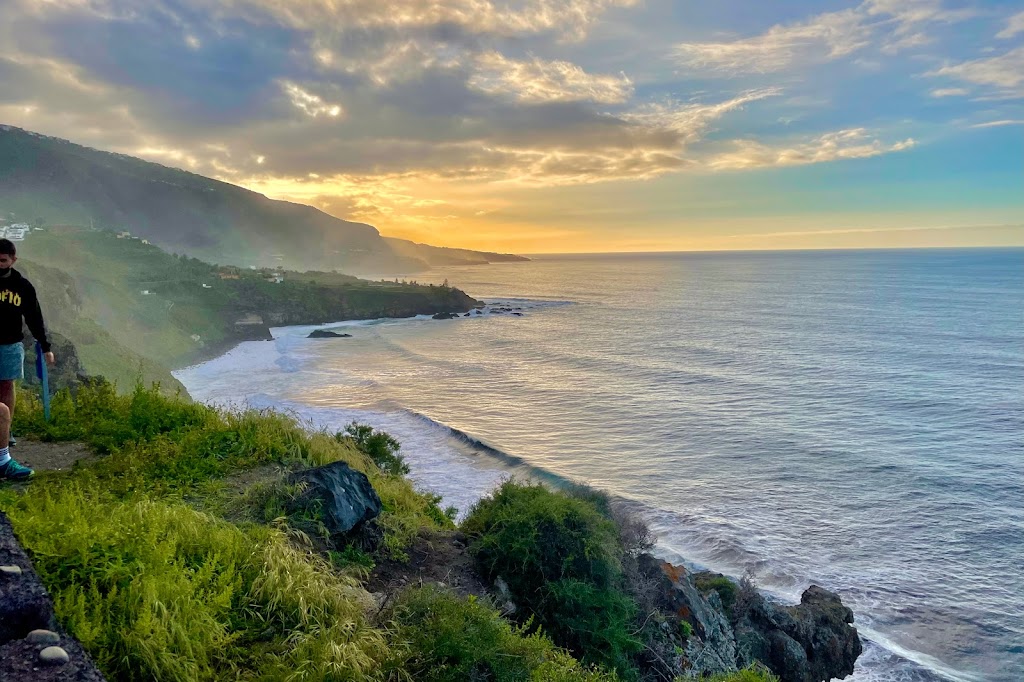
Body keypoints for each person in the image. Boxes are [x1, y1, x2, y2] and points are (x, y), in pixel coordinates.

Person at [0, 238, 54, 480]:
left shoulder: (23, 286)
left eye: (2, 260)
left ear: (13, 260)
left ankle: (5, 431)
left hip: (10, 344)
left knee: (7, 385)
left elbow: (34, 317)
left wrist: (45, 346)